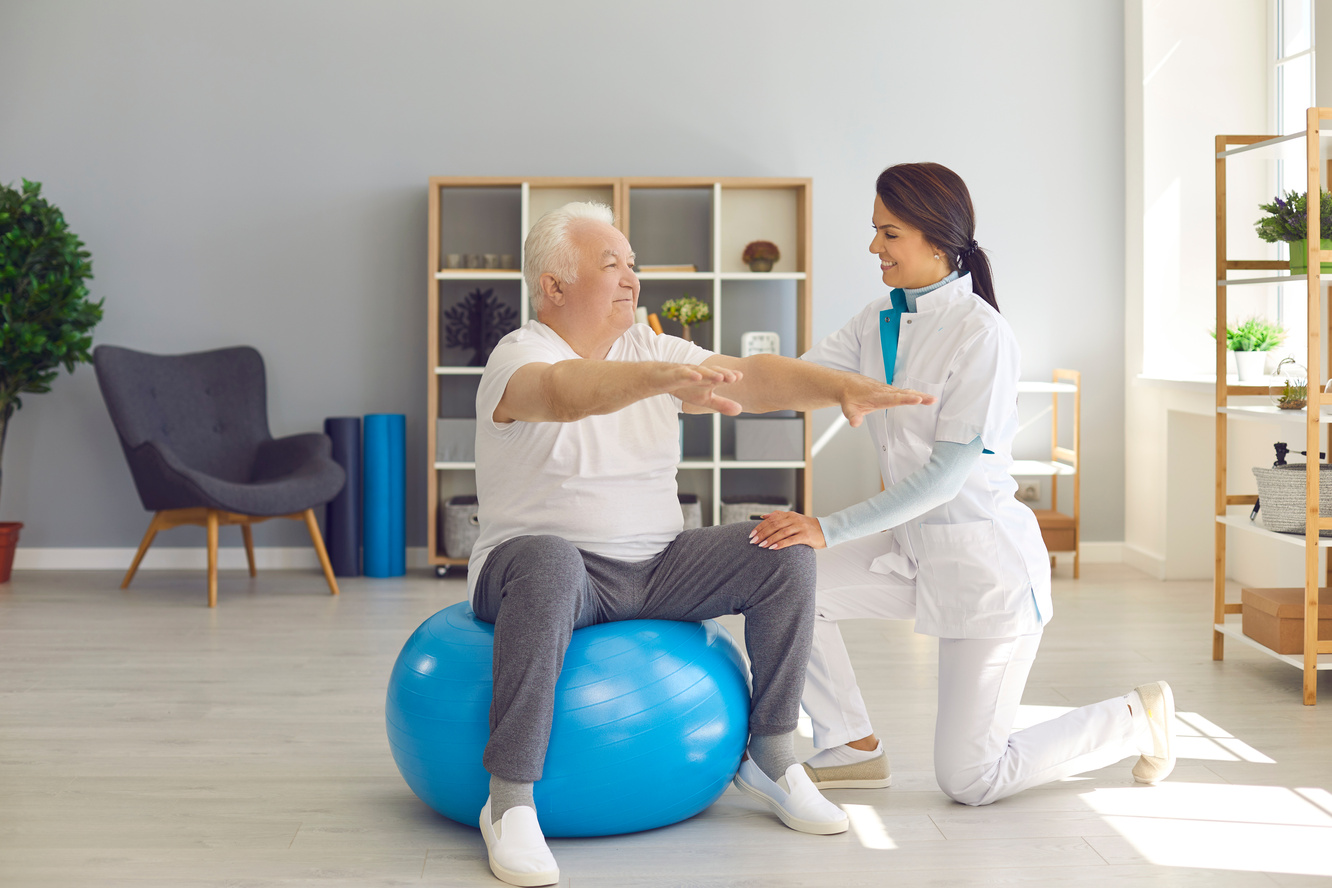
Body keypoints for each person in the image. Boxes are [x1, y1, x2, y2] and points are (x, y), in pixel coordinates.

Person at [469, 201, 935, 886]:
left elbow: (755, 378)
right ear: (554, 286)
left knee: (783, 545)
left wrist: (841, 387)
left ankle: (771, 755)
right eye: (611, 265)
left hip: (657, 567)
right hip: (539, 571)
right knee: (550, 558)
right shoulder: (520, 354)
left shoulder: (653, 348)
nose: (631, 279)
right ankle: (509, 802)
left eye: (632, 264)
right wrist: (656, 379)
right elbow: (566, 394)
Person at [749, 162, 1177, 807]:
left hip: (985, 569)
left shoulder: (982, 334)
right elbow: (792, 378)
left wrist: (824, 527)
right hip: (912, 551)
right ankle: (852, 743)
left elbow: (944, 479)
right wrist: (685, 377)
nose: (874, 247)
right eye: (876, 230)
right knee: (785, 584)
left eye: (889, 234)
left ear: (937, 238)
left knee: (970, 779)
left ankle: (1135, 719)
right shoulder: (877, 319)